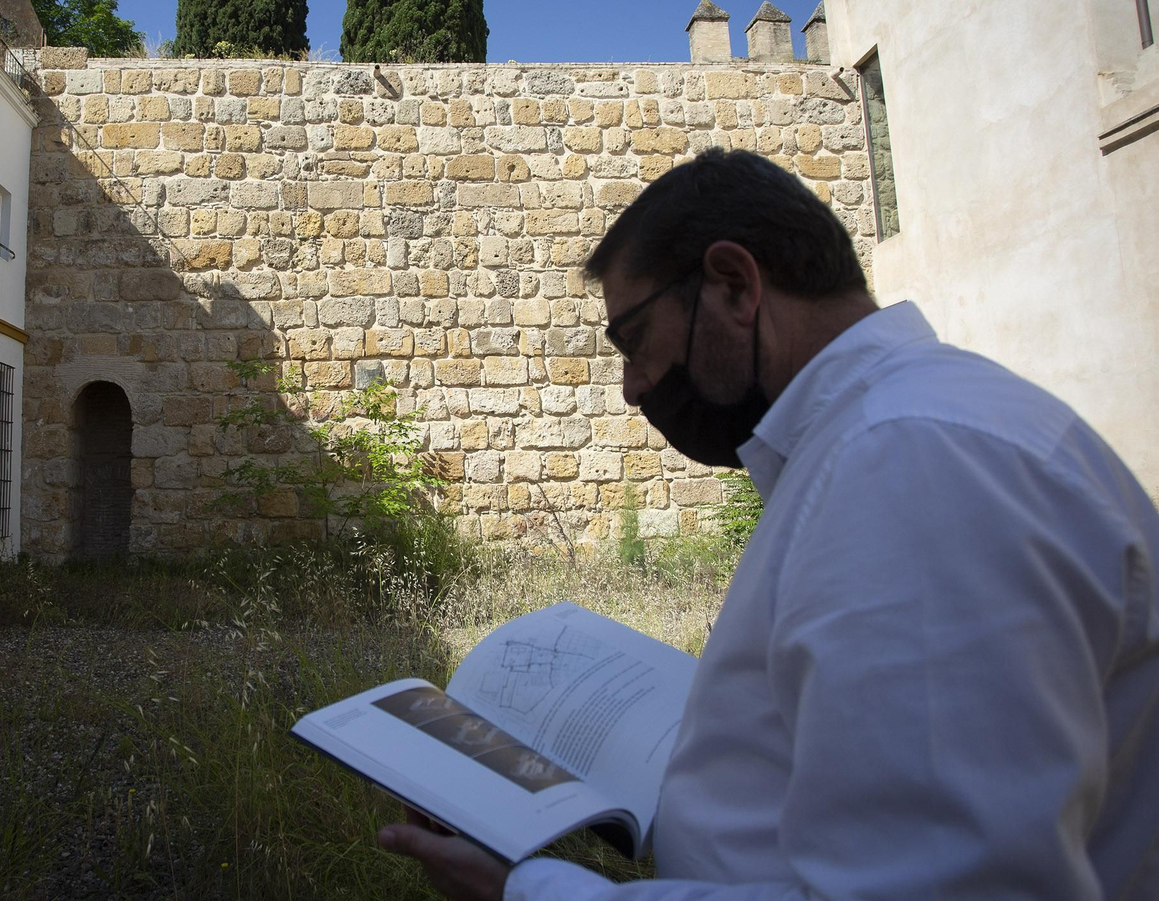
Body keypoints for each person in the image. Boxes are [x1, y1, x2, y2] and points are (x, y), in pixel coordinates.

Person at [379, 148, 1159, 899]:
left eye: (634, 339)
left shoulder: (910, 461)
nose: (630, 386)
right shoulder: (891, 438)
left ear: (733, 284)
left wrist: (527, 887)